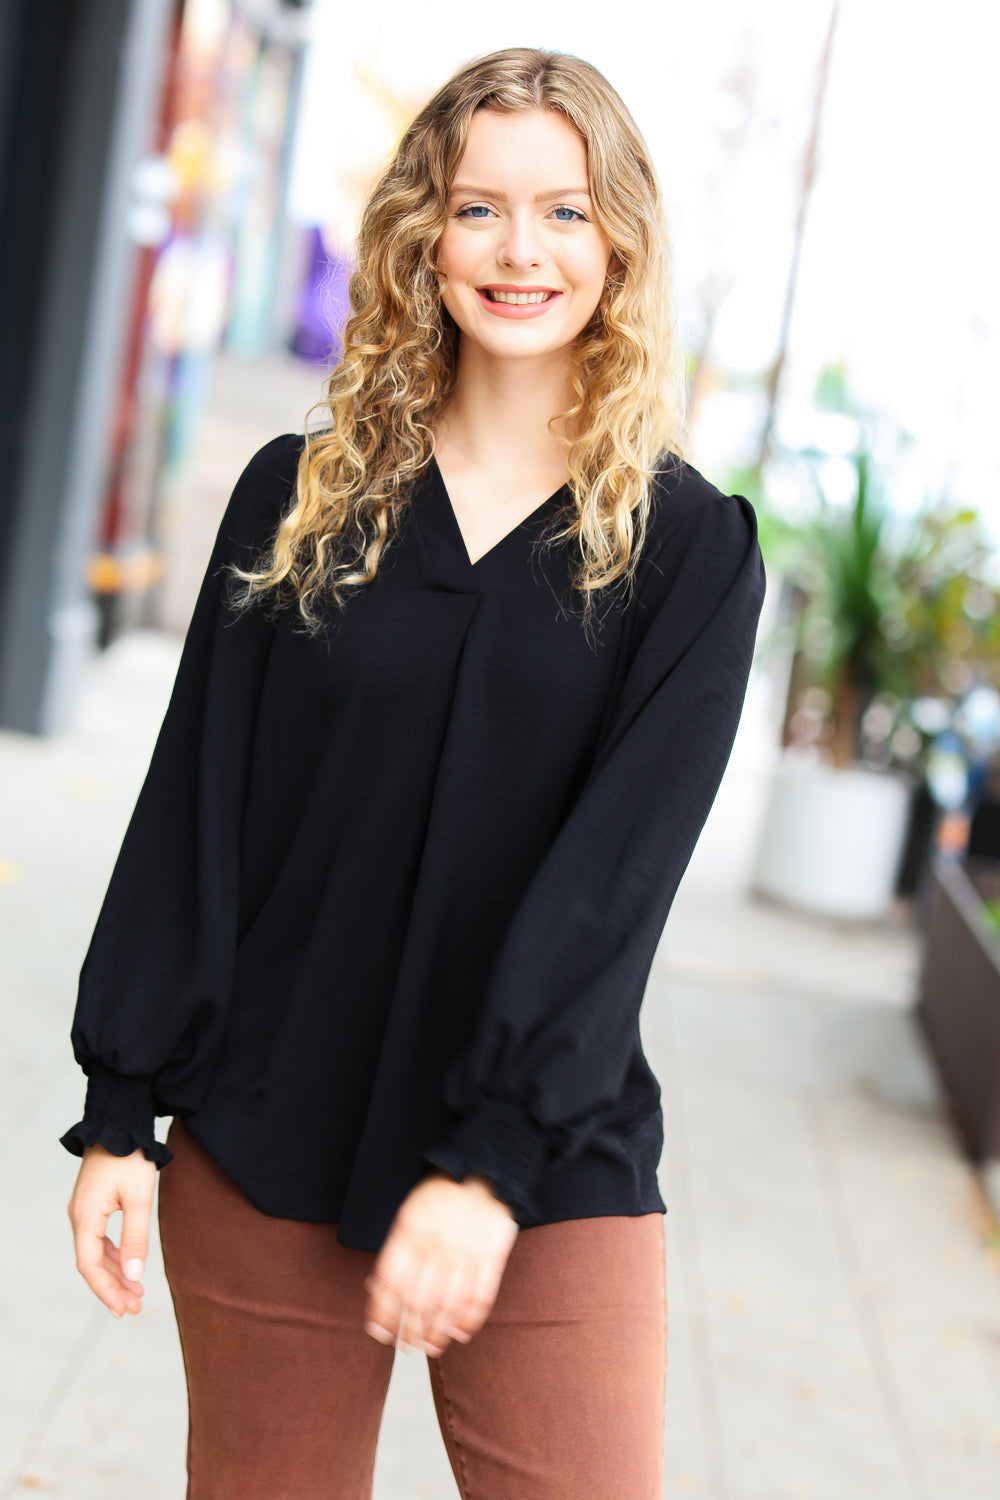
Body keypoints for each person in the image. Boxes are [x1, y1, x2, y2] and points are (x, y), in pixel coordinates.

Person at [62, 46, 765, 1500]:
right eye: (480, 209)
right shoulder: (301, 496)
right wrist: (123, 1113)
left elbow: (615, 882)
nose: (522, 252)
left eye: (566, 213)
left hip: (545, 1159)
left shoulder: (689, 552)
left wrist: (494, 1157)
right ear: (420, 237)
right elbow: (197, 808)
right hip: (271, 1131)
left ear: (620, 241)